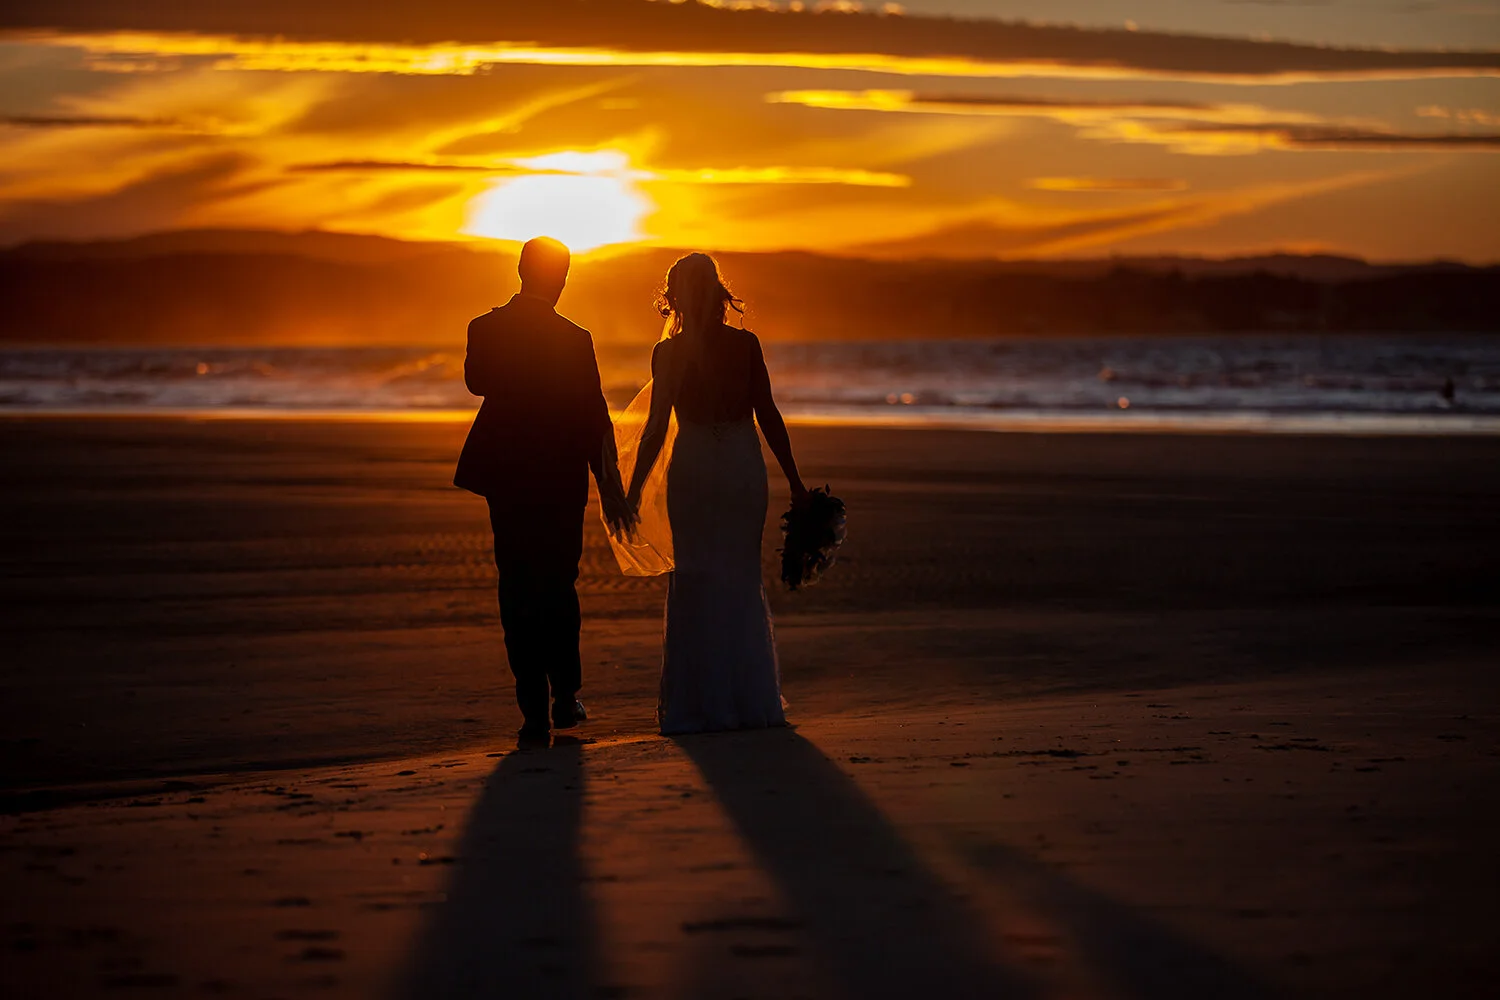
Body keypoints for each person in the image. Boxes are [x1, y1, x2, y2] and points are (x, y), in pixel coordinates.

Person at [607, 253, 807, 734]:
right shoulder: (745, 345)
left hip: (695, 469)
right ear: (718, 292)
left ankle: (699, 705)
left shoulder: (669, 354)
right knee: (739, 578)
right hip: (741, 468)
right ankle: (750, 702)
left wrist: (633, 494)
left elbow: (656, 430)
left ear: (674, 298)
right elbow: (769, 416)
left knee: (695, 578)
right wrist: (796, 483)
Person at [454, 236, 634, 745]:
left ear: (520, 270)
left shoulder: (485, 327)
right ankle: (564, 694)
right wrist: (610, 485)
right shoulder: (574, 338)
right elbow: (594, 415)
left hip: (508, 473)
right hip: (559, 474)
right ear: (561, 278)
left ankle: (534, 705)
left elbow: (477, 382)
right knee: (558, 584)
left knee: (517, 585)